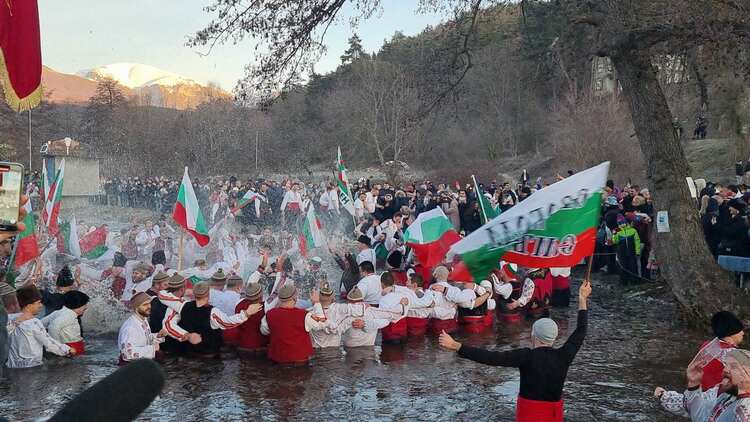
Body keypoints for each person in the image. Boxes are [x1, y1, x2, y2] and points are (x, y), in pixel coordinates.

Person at [439, 279, 592, 422]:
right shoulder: (564, 356)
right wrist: (582, 298)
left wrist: (457, 346)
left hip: (528, 416)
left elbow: (490, 358)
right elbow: (581, 330)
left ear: (533, 335)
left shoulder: (526, 356)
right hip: (554, 416)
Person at [164, 281, 262, 358]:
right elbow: (228, 323)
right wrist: (246, 313)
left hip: (190, 352)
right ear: (208, 294)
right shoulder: (212, 312)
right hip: (208, 354)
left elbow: (171, 324)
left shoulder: (184, 306)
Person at [6, 285, 75, 368]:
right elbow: (49, 343)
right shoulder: (34, 322)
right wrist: (67, 350)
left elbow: (4, 333)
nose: (41, 305)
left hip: (12, 366)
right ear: (29, 305)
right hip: (32, 367)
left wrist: (17, 321)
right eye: (38, 303)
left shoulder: (10, 318)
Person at [260, 284, 327, 365]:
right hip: (299, 361)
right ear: (295, 298)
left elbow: (264, 331)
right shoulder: (304, 315)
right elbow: (321, 322)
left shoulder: (269, 314)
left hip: (278, 360)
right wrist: (317, 303)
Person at [684, 348, 750, 420]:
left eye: (734, 367)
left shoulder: (746, 408)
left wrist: (744, 394)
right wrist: (694, 384)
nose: (725, 370)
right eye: (725, 365)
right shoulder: (725, 396)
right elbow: (701, 419)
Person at [118, 292, 165, 364]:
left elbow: (144, 339)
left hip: (141, 363)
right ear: (136, 308)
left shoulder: (143, 319)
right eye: (145, 305)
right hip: (130, 368)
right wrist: (152, 349)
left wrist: (158, 336)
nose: (149, 306)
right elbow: (127, 354)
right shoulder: (130, 328)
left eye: (149, 303)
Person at [42, 291, 90, 355]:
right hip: (72, 347)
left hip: (70, 346)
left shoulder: (60, 311)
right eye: (85, 304)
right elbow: (53, 327)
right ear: (78, 304)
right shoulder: (70, 315)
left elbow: (41, 323)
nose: (86, 307)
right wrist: (58, 347)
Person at [232, 283, 269, 355]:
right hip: (260, 347)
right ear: (261, 294)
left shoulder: (239, 305)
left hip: (242, 346)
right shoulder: (265, 307)